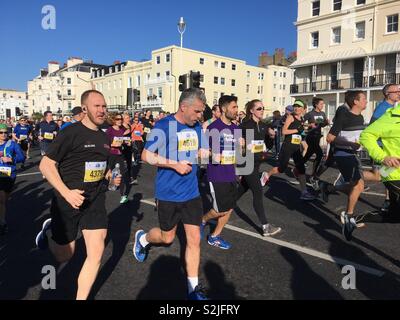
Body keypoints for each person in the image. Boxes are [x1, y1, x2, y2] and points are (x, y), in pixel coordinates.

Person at [34, 90, 121, 300]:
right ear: (84, 109)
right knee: (65, 255)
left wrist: (110, 177)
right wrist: (66, 193)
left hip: (95, 198)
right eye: (96, 106)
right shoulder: (70, 132)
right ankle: (49, 231)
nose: (102, 110)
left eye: (104, 106)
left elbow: (100, 167)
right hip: (68, 198)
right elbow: (45, 165)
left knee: (97, 251)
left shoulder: (104, 136)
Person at [132, 88, 209, 300]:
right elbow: (147, 155)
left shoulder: (197, 128)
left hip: (191, 193)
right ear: (183, 107)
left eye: (201, 111)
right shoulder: (164, 126)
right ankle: (144, 239)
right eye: (197, 111)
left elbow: (202, 152)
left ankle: (192, 290)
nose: (199, 115)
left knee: (194, 239)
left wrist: (221, 154)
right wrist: (174, 164)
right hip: (168, 194)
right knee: (167, 238)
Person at [326, 90, 379, 241]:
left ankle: (329, 188)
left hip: (354, 154)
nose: (366, 101)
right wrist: (350, 144)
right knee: (358, 185)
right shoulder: (344, 115)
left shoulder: (360, 116)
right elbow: (330, 138)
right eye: (363, 99)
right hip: (343, 154)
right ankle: (348, 217)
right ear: (355, 101)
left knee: (374, 177)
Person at [237, 100, 282, 236]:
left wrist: (271, 136)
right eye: (259, 108)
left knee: (241, 190)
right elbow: (237, 147)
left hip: (257, 163)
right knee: (257, 191)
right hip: (247, 163)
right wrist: (243, 148)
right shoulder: (244, 126)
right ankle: (265, 226)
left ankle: (222, 207)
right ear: (251, 111)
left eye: (263, 108)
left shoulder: (264, 125)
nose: (262, 111)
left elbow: (265, 145)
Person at [200, 96, 240, 250]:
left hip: (230, 173)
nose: (236, 110)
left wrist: (242, 147)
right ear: (224, 109)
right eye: (234, 107)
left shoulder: (236, 129)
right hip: (217, 173)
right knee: (219, 209)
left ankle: (214, 237)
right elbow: (203, 151)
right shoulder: (213, 128)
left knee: (229, 208)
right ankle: (202, 220)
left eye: (237, 107)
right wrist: (212, 154)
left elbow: (236, 152)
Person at [265, 100, 316, 201]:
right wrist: (297, 130)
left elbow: (300, 130)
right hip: (287, 146)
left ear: (302, 109)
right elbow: (284, 131)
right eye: (295, 106)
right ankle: (267, 174)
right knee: (281, 169)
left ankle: (304, 192)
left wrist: (307, 129)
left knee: (301, 169)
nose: (296, 108)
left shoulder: (301, 118)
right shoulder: (290, 117)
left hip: (296, 147)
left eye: (298, 107)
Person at [360, 103, 400, 221]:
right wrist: (383, 157)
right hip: (393, 170)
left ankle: (354, 220)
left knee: (394, 216)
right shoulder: (392, 116)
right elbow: (366, 135)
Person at [369, 84, 400, 212]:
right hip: (383, 150)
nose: (399, 92)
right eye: (397, 91)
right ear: (388, 93)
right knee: (379, 176)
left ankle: (389, 201)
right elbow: (371, 129)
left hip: (392, 150)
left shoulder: (394, 107)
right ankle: (353, 176)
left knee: (387, 176)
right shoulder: (382, 109)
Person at [0, 123, 25, 235]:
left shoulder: (12, 144)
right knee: (1, 199)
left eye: (5, 132)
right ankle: (2, 223)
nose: (4, 134)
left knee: (4, 200)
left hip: (9, 175)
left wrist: (11, 159)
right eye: (1, 132)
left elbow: (21, 157)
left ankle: (2, 216)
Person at [303, 98, 329, 189]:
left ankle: (299, 166)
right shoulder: (310, 114)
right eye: (321, 104)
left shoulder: (322, 114)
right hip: (311, 136)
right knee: (319, 154)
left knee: (309, 153)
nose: (323, 105)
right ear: (316, 105)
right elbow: (301, 123)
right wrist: (309, 125)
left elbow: (322, 124)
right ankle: (313, 176)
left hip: (318, 136)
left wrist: (326, 122)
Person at [106, 113, 132, 204]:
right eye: (117, 119)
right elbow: (105, 143)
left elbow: (125, 136)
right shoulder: (109, 130)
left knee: (123, 173)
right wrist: (113, 144)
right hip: (111, 155)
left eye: (121, 119)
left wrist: (126, 142)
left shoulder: (121, 129)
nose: (120, 120)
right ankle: (107, 186)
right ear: (113, 120)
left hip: (120, 154)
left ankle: (123, 195)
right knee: (109, 173)